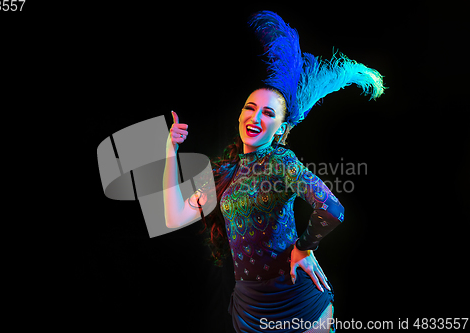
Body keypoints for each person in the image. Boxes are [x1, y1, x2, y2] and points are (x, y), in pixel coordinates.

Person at [163, 11, 385, 333]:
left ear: (280, 129)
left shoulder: (280, 162)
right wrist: (171, 151)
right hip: (251, 309)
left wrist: (304, 247)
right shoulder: (224, 174)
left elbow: (333, 209)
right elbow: (173, 217)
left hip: (298, 300)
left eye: (268, 113)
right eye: (250, 108)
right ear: (240, 115)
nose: (256, 117)